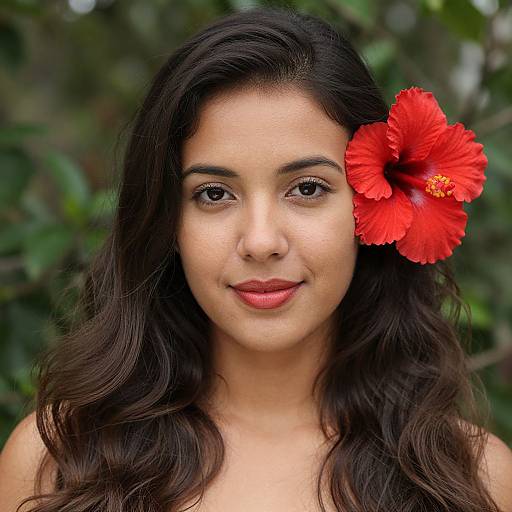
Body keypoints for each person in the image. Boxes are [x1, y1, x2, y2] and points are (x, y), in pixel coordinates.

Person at [1, 6, 511, 512]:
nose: (261, 241)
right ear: (166, 221)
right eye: (215, 194)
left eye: (307, 188)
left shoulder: (477, 480)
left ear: (367, 207)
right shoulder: (56, 461)